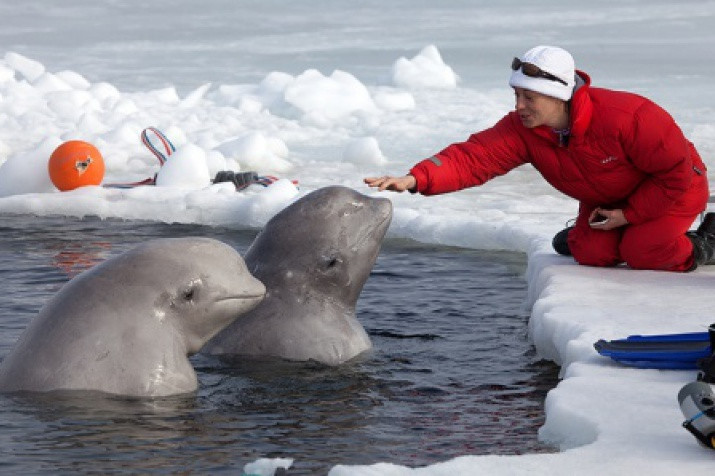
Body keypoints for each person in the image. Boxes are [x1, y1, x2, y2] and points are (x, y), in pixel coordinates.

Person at [365, 45, 713, 272]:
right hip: (609, 198)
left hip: (674, 189)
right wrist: (416, 179)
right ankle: (586, 237)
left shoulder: (629, 116)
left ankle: (705, 244)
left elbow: (673, 174)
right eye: (516, 94)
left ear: (557, 95)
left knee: (643, 251)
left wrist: (628, 216)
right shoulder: (523, 130)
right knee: (592, 254)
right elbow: (474, 158)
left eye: (529, 97)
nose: (518, 106)